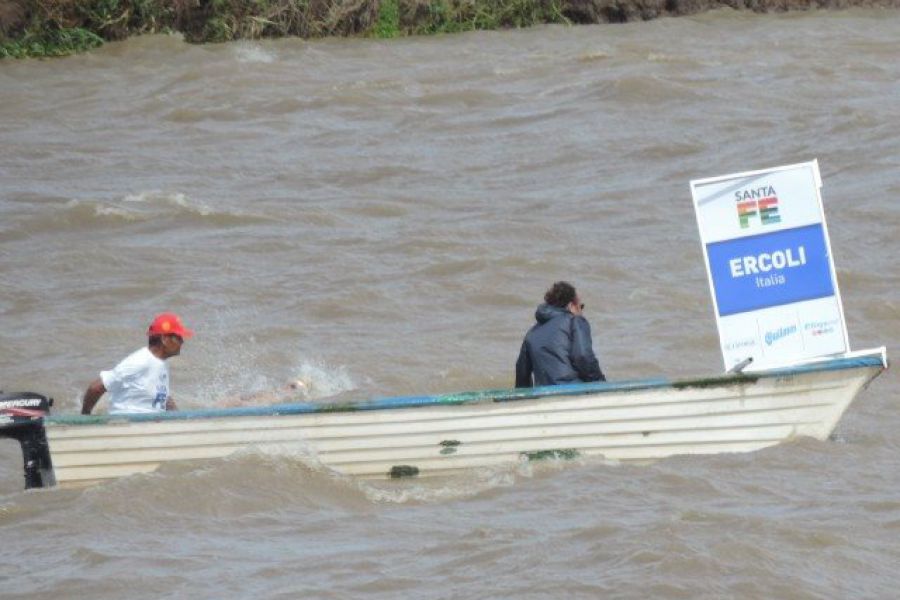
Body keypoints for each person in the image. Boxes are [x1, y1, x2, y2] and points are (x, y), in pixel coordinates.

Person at [81, 313, 193, 415]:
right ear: (164, 339)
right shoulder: (139, 362)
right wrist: (85, 417)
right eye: (178, 337)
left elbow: (164, 399)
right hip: (127, 425)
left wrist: (180, 417)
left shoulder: (161, 363)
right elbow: (95, 388)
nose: (182, 341)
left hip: (150, 425)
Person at [515, 281, 605, 388]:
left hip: (544, 397)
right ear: (571, 306)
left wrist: (525, 400)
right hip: (573, 394)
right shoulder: (574, 321)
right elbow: (582, 356)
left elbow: (522, 374)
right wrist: (600, 383)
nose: (581, 311)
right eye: (581, 306)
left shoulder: (531, 333)